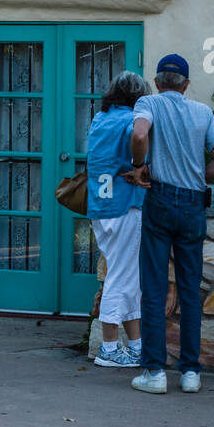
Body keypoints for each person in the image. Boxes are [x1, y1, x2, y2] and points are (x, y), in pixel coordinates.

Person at [122, 53, 214, 394]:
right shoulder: (201, 111)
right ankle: (190, 373)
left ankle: (155, 372)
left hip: (160, 199)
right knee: (189, 291)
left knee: (154, 290)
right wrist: (200, 176)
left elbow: (140, 134)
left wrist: (139, 165)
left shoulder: (149, 102)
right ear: (186, 85)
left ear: (157, 82)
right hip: (192, 204)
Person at [85, 70, 153, 368]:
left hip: (101, 206)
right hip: (126, 206)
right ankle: (109, 349)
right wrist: (138, 166)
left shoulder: (99, 120)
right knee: (120, 278)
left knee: (126, 279)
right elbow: (139, 140)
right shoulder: (131, 121)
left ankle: (137, 347)